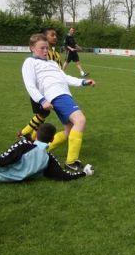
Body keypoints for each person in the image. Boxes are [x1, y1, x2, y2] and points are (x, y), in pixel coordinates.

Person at [22, 33, 96, 170]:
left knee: (69, 131)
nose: (45, 51)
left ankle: (37, 152)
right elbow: (30, 85)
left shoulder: (52, 63)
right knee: (80, 120)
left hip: (64, 94)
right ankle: (71, 161)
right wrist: (42, 100)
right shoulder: (30, 62)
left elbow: (65, 78)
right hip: (56, 95)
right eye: (42, 48)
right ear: (32, 48)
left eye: (47, 48)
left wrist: (83, 82)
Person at [18, 28, 63, 143]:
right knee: (43, 113)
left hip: (52, 89)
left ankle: (30, 136)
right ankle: (25, 133)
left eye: (56, 35)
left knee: (43, 113)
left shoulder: (56, 55)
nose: (55, 37)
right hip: (40, 91)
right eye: (52, 35)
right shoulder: (38, 57)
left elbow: (59, 70)